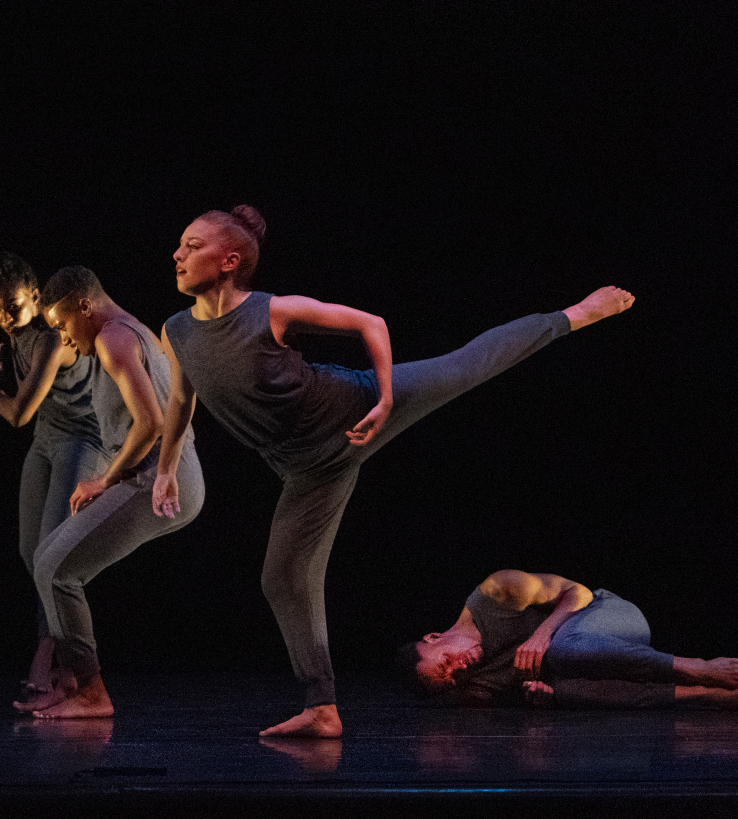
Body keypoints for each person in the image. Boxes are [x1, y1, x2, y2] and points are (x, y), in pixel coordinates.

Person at [151, 204, 636, 737]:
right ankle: (322, 708)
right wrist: (166, 467)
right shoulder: (176, 332)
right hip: (308, 470)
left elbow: (371, 323)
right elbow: (180, 398)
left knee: (465, 366)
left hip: (352, 407)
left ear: (229, 260)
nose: (178, 254)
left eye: (192, 245)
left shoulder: (273, 310)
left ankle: (575, 314)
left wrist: (383, 396)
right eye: (181, 245)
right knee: (281, 579)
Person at [21, 265, 205, 718]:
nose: (64, 338)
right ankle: (72, 682)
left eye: (63, 324)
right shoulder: (136, 330)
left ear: (85, 306)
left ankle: (91, 693)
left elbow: (151, 423)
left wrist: (105, 480)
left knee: (53, 568)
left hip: (159, 480)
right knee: (54, 563)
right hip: (170, 476)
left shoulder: (112, 339)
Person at [0, 217, 106, 702]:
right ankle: (58, 653)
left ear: (35, 297)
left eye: (13, 307)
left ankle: (54, 656)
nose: (4, 318)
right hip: (48, 438)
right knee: (28, 549)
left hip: (83, 439)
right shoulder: (6, 300)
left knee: (53, 553)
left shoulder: (52, 338)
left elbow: (17, 414)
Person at [399, 569, 738, 710]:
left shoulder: (496, 592)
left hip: (611, 617)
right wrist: (538, 697)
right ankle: (704, 694)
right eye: (450, 680)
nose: (458, 670)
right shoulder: (471, 686)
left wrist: (542, 633)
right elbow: (523, 694)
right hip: (595, 664)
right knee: (567, 691)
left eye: (445, 663)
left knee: (562, 651)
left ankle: (694, 667)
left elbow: (579, 592)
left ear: (433, 637)